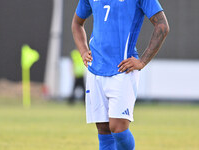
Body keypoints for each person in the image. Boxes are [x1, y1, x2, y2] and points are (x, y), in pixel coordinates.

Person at [72, 0, 169, 149]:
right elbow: (77, 23)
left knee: (118, 129)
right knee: (103, 131)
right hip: (95, 69)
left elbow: (162, 26)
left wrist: (142, 61)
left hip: (122, 70)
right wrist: (84, 51)